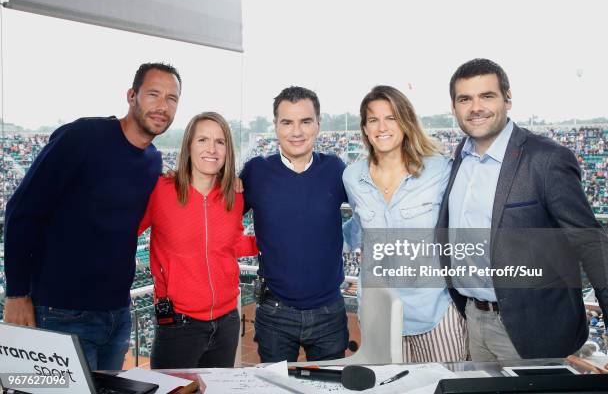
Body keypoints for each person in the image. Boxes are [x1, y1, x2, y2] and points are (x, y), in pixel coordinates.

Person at [3, 62, 181, 370]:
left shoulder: (153, 161)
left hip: (117, 315)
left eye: (171, 98)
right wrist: (16, 293)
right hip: (60, 312)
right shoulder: (83, 136)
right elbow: (21, 210)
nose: (162, 106)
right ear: (132, 95)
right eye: (153, 94)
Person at [437, 58, 608, 363]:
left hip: (533, 326)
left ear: (507, 99)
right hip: (474, 318)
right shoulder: (460, 157)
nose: (476, 107)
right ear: (454, 107)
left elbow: (590, 242)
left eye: (487, 96)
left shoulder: (546, 158)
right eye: (465, 98)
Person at [343, 85, 467, 362]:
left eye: (391, 117)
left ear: (406, 121)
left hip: (434, 313)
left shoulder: (439, 169)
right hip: (379, 314)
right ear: (364, 128)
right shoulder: (352, 176)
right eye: (373, 119)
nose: (382, 127)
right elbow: (357, 228)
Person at [138, 112, 257, 369]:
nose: (211, 149)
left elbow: (229, 244)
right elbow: (123, 233)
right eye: (202, 140)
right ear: (189, 146)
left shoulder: (234, 195)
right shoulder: (160, 190)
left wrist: (265, 243)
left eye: (220, 141)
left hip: (227, 321)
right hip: (179, 324)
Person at [240, 86, 349, 362]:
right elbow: (220, 217)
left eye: (305, 121)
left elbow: (372, 210)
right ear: (275, 125)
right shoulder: (255, 171)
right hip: (275, 312)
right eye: (287, 122)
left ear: (318, 125)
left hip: (329, 312)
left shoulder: (336, 169)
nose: (296, 131)